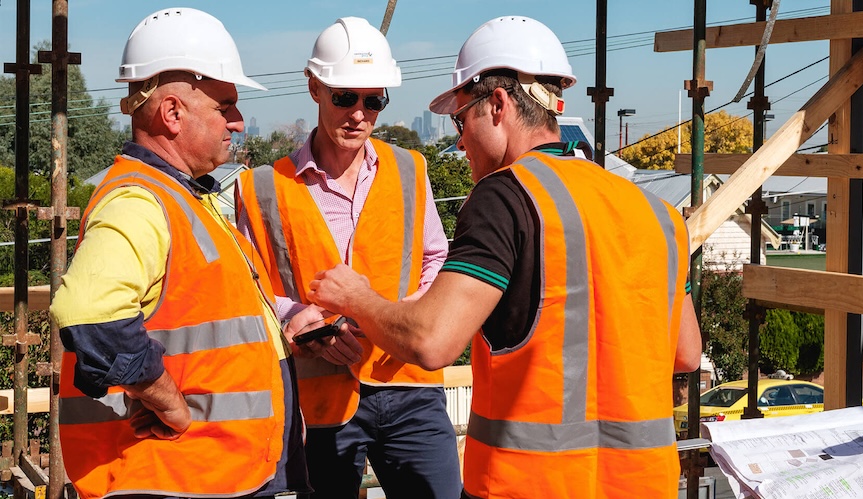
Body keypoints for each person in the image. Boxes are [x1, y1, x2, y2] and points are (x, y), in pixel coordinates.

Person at [307, 15, 703, 499]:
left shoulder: (506, 197)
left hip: (528, 485)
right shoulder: (657, 213)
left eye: (460, 119)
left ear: (496, 105)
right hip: (645, 485)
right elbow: (686, 353)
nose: (458, 141)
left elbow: (431, 342)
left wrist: (358, 299)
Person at [51, 8, 309, 499]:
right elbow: (89, 311)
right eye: (225, 106)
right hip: (178, 474)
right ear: (172, 113)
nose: (236, 122)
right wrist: (165, 398)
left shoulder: (187, 197)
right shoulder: (140, 201)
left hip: (218, 474)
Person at [235, 17, 460, 499]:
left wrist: (404, 318)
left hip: (409, 385)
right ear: (314, 87)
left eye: (373, 100)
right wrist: (299, 318)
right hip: (317, 399)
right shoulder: (261, 188)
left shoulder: (409, 169)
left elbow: (436, 259)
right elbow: (246, 285)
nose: (359, 114)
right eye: (344, 97)